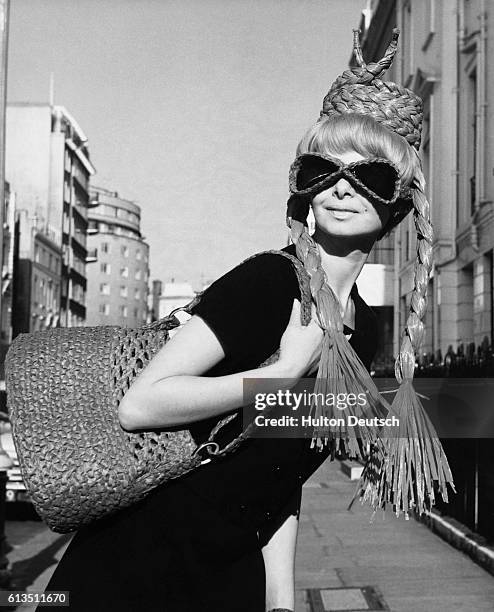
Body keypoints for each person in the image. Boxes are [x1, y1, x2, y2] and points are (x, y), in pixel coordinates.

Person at [42, 29, 445, 612]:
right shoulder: (269, 283)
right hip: (136, 569)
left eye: (370, 175)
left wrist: (281, 600)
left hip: (229, 574)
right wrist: (281, 374)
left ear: (401, 203)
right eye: (322, 169)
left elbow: (277, 476)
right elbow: (141, 404)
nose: (340, 187)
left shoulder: (359, 329)